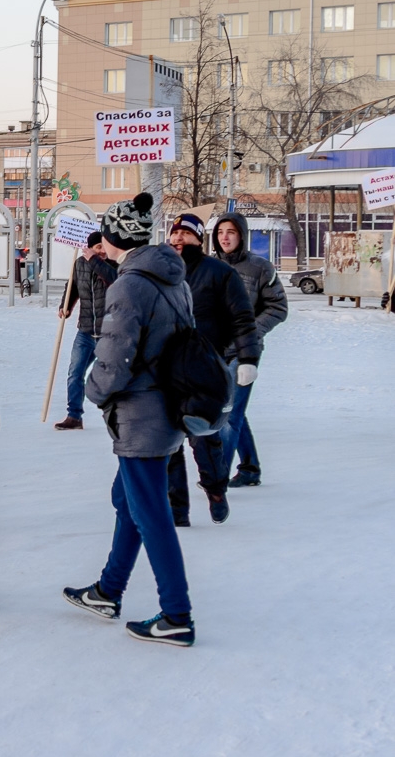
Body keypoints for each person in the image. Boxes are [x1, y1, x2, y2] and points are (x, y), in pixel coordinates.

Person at [65, 192, 196, 646]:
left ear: (114, 237)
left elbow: (115, 356)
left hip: (143, 413)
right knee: (129, 500)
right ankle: (108, 590)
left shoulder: (129, 285)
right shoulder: (171, 277)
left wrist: (93, 391)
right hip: (166, 406)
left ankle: (177, 614)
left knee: (151, 514)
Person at [165, 212, 259, 525]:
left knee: (204, 438)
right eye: (174, 233)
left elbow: (242, 319)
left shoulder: (219, 273)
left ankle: (216, 490)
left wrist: (248, 358)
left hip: (204, 370)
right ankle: (177, 509)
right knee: (168, 442)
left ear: (198, 238)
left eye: (185, 233)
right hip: (165, 369)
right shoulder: (161, 272)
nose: (178, 238)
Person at [213, 213, 288, 487]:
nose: (225, 237)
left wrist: (251, 331)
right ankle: (250, 468)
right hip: (215, 350)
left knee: (230, 413)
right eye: (220, 232)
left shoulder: (260, 268)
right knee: (233, 410)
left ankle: (217, 476)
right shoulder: (209, 266)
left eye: (231, 232)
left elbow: (278, 307)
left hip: (245, 352)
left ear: (242, 235)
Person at [54, 231, 118, 431]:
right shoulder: (79, 264)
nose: (103, 251)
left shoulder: (114, 265)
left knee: (111, 377)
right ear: (90, 248)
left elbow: (114, 280)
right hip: (86, 331)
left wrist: (95, 260)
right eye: (98, 247)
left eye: (104, 247)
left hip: (109, 333)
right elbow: (72, 286)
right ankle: (74, 416)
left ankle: (118, 417)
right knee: (75, 373)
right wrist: (65, 306)